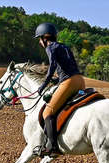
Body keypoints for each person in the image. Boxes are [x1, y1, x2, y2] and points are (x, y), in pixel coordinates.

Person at [35, 22, 86, 156]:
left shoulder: (50, 47)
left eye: (39, 39)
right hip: (80, 83)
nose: (40, 43)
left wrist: (44, 84)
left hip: (69, 83)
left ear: (44, 38)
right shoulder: (64, 46)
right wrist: (57, 80)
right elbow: (68, 67)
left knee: (48, 112)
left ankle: (52, 147)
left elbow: (52, 66)